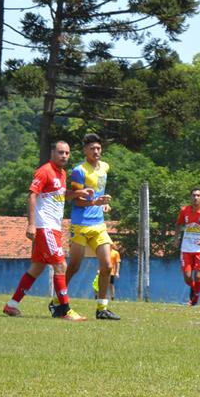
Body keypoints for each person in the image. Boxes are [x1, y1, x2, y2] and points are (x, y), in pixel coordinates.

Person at [2, 140, 85, 320]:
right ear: (52, 153)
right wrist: (31, 224)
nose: (64, 156)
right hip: (44, 227)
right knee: (61, 265)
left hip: (54, 228)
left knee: (37, 268)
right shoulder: (45, 171)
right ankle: (65, 310)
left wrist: (78, 193)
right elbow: (32, 195)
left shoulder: (62, 174)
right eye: (61, 152)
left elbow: (60, 195)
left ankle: (11, 305)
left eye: (67, 153)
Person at [64, 133, 119, 321]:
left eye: (98, 148)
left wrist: (103, 203)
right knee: (74, 266)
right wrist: (95, 202)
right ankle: (58, 300)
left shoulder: (105, 167)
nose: (96, 151)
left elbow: (99, 193)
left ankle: (102, 308)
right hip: (81, 224)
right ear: (85, 150)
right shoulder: (79, 171)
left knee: (107, 265)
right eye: (92, 148)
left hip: (99, 224)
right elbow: (77, 201)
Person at [176, 187, 200, 306]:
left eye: (198, 195)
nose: (195, 197)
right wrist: (176, 238)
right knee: (187, 277)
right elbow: (178, 224)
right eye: (193, 195)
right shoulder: (184, 210)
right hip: (186, 248)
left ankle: (194, 299)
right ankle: (196, 292)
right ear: (190, 197)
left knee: (198, 277)